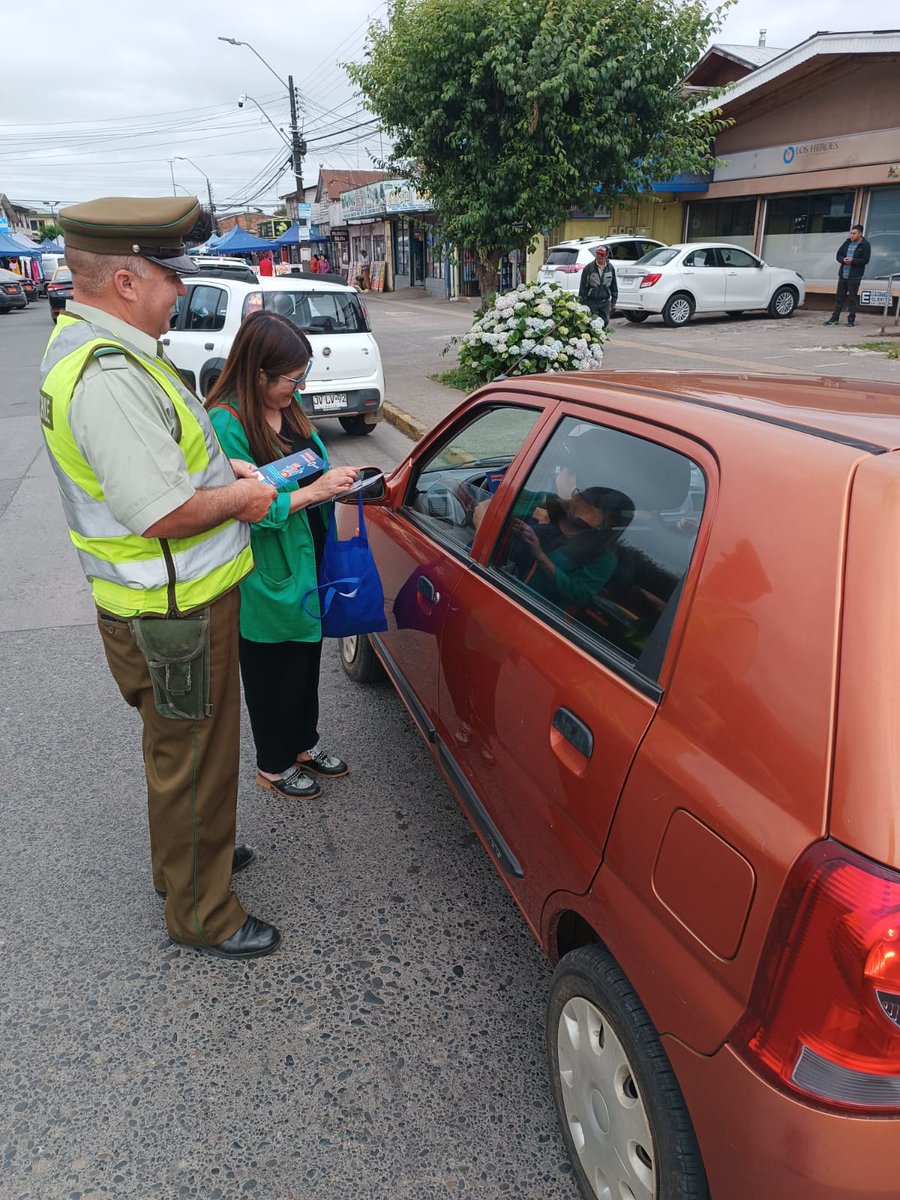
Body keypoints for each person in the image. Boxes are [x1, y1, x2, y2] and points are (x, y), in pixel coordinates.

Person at [40, 196, 283, 960]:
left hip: (157, 605)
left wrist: (225, 467)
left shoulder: (98, 348)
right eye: (169, 276)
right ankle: (202, 913)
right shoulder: (107, 373)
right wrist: (244, 496)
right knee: (197, 761)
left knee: (177, 754)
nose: (181, 290)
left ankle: (184, 865)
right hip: (174, 610)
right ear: (123, 280)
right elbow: (160, 511)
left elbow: (166, 462)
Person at [205, 311, 359, 801]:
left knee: (305, 657)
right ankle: (273, 763)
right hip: (266, 566)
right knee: (271, 670)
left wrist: (340, 484)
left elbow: (315, 466)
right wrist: (315, 494)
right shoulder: (226, 424)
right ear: (258, 374)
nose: (299, 386)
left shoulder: (289, 410)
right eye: (292, 378)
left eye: (302, 375)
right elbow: (247, 508)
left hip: (308, 555)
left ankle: (302, 744)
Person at [823, 223, 871, 327]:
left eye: (854, 233)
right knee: (839, 298)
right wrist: (843, 260)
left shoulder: (865, 245)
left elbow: (865, 260)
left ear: (860, 234)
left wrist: (853, 260)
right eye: (851, 233)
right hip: (843, 275)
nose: (852, 235)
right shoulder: (847, 242)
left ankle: (851, 319)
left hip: (854, 276)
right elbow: (839, 255)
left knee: (852, 298)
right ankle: (834, 318)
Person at [578, 244, 617, 326]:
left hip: (604, 301)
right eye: (598, 254)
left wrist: (614, 301)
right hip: (591, 301)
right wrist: (581, 302)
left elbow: (614, 286)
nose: (599, 256)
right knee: (590, 324)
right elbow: (583, 287)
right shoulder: (588, 268)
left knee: (605, 322)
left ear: (606, 255)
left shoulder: (610, 268)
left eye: (602, 254)